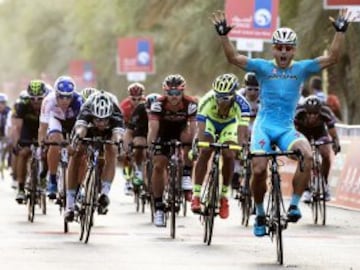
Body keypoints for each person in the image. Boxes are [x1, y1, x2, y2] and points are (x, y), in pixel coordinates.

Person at [211, 9, 350, 236]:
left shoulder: (302, 68)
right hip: (264, 127)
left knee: (306, 154)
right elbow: (234, 59)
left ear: (293, 50)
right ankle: (260, 213)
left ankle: (294, 204)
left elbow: (333, 58)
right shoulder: (264, 67)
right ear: (274, 49)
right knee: (258, 170)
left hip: (286, 129)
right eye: (280, 48)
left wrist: (341, 32)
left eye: (288, 48)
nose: (283, 52)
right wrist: (224, 36)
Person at [191, 73, 250, 219]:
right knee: (205, 151)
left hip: (229, 125)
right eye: (217, 96)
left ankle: (224, 196)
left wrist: (241, 147)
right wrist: (199, 143)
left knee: (229, 154)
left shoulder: (243, 104)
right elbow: (201, 127)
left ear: (233, 95)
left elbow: (242, 131)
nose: (219, 100)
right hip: (210, 123)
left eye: (224, 97)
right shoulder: (206, 100)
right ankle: (196, 195)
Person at [64, 91, 124, 221]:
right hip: (88, 129)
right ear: (92, 115)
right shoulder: (86, 109)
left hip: (109, 132)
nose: (101, 123)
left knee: (111, 150)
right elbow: (80, 130)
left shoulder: (116, 113)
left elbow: (117, 135)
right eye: (98, 119)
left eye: (104, 120)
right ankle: (69, 204)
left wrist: (118, 142)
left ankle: (104, 193)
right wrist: (77, 140)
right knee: (77, 154)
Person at [147, 74, 197, 227]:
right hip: (163, 132)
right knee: (159, 165)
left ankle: (186, 174)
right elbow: (153, 128)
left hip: (181, 130)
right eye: (170, 93)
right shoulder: (158, 104)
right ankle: (159, 207)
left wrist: (194, 143)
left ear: (183, 92)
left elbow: (194, 127)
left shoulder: (190, 103)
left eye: (177, 93)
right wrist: (151, 145)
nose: (174, 97)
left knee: (189, 140)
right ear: (165, 93)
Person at [38, 75, 83, 199]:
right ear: (55, 94)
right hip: (56, 120)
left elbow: (82, 127)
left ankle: (79, 185)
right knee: (54, 142)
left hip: (73, 122)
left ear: (72, 95)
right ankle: (52, 180)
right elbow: (42, 127)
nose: (65, 100)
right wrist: (41, 143)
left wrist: (75, 143)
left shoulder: (79, 101)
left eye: (68, 97)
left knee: (80, 150)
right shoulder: (48, 101)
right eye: (61, 96)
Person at [295, 95, 340, 202]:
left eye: (315, 114)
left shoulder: (325, 112)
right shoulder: (298, 112)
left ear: (320, 111)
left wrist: (336, 142)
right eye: (309, 113)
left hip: (319, 132)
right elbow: (293, 132)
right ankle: (306, 189)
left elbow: (332, 132)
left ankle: (324, 183)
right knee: (305, 157)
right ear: (305, 111)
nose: (312, 116)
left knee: (325, 153)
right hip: (302, 132)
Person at [12, 80, 47, 203]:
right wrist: (16, 143)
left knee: (46, 152)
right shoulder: (23, 104)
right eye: (33, 99)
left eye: (39, 99)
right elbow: (17, 127)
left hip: (43, 128)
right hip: (27, 129)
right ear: (28, 97)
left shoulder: (48, 104)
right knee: (23, 153)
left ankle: (44, 176)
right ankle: (21, 188)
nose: (36, 102)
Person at [123, 93, 161, 187]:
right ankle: (138, 170)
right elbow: (129, 131)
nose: (151, 115)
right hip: (142, 132)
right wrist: (127, 148)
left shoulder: (165, 110)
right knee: (140, 144)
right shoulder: (140, 109)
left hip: (160, 132)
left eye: (154, 112)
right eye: (149, 112)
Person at [119, 82, 146, 194]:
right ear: (129, 97)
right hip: (128, 127)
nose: (136, 102)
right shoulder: (124, 106)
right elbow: (121, 124)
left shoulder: (146, 104)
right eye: (133, 99)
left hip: (141, 128)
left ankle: (143, 171)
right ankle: (128, 178)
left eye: (139, 99)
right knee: (126, 153)